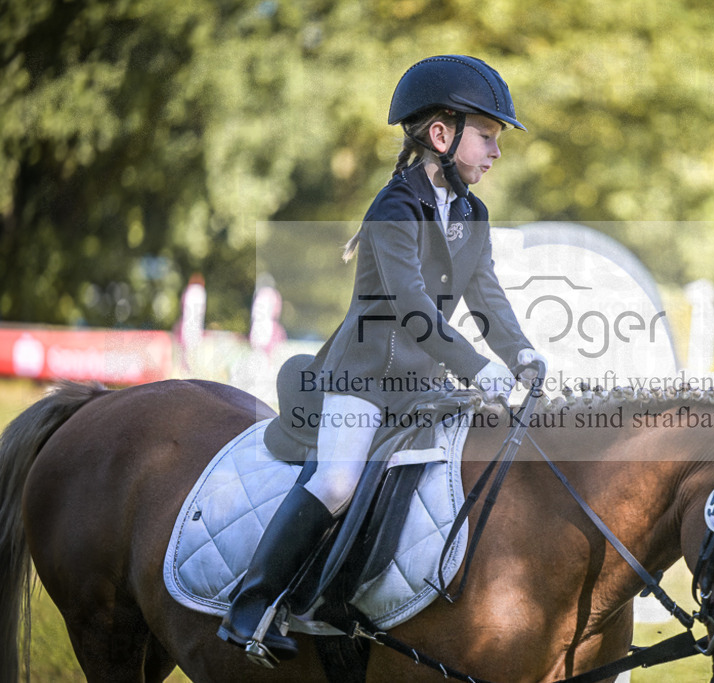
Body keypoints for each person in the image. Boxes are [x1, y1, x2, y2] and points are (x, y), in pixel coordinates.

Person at [218, 54, 544, 660]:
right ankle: (253, 607)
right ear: (441, 135)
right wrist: (480, 368)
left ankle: (357, 604)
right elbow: (412, 308)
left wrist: (521, 351)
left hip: (424, 385)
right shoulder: (393, 209)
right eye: (488, 137)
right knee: (339, 481)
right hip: (361, 378)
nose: (497, 152)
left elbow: (487, 296)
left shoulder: (472, 212)